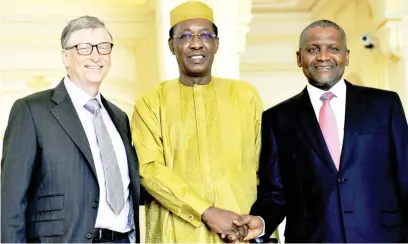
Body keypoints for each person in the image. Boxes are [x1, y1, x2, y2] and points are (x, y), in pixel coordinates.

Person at [233, 19, 408, 243]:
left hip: (384, 237)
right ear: (299, 58)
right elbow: (274, 194)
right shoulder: (277, 119)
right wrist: (262, 221)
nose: (323, 56)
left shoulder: (385, 105)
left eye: (333, 49)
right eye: (313, 49)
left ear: (347, 56)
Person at [130, 1, 279, 243]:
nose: (196, 43)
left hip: (240, 231)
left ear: (216, 44)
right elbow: (149, 170)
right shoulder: (151, 101)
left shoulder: (245, 95)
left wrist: (261, 220)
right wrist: (206, 212)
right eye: (185, 35)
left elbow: (266, 169)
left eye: (205, 35)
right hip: (175, 234)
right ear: (172, 45)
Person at [1, 16, 140, 243]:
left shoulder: (119, 118)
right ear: (66, 56)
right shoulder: (31, 110)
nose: (96, 56)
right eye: (84, 48)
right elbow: (11, 203)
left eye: (103, 47)